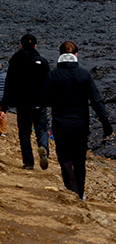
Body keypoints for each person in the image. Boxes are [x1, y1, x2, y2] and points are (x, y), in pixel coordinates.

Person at [48, 41, 113, 201]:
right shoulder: (85, 74)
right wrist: (106, 123)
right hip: (80, 125)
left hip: (60, 123)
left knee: (64, 160)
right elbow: (96, 100)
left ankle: (73, 191)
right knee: (79, 161)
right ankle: (80, 193)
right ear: (76, 55)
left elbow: (44, 97)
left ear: (60, 55)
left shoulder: (53, 75)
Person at [3, 34, 51, 170]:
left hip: (22, 103)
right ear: (35, 46)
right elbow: (49, 83)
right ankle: (43, 146)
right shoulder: (42, 62)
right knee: (42, 129)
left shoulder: (15, 61)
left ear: (21, 45)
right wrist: (49, 101)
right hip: (39, 103)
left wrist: (4, 106)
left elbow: (9, 84)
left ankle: (29, 162)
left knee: (24, 133)